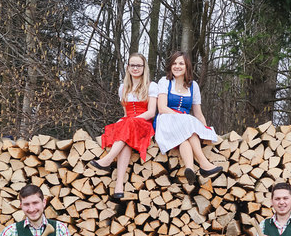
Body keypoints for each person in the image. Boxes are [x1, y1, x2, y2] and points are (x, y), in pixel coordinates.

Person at [90, 53, 158, 199]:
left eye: (138, 65)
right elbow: (126, 112)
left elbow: (151, 112)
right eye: (132, 65)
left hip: (144, 124)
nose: (135, 68)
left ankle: (108, 159)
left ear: (144, 67)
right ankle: (119, 185)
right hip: (130, 125)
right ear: (127, 67)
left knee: (127, 126)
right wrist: (126, 120)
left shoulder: (151, 86)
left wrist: (131, 120)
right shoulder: (123, 88)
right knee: (126, 140)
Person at [155, 51, 223, 185]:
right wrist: (183, 118)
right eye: (174, 63)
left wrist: (204, 128)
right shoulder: (165, 82)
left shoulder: (193, 86)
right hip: (166, 119)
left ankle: (190, 169)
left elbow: (198, 113)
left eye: (181, 63)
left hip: (184, 124)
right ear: (170, 66)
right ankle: (204, 163)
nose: (177, 66)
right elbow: (162, 108)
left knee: (185, 138)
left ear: (187, 66)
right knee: (188, 123)